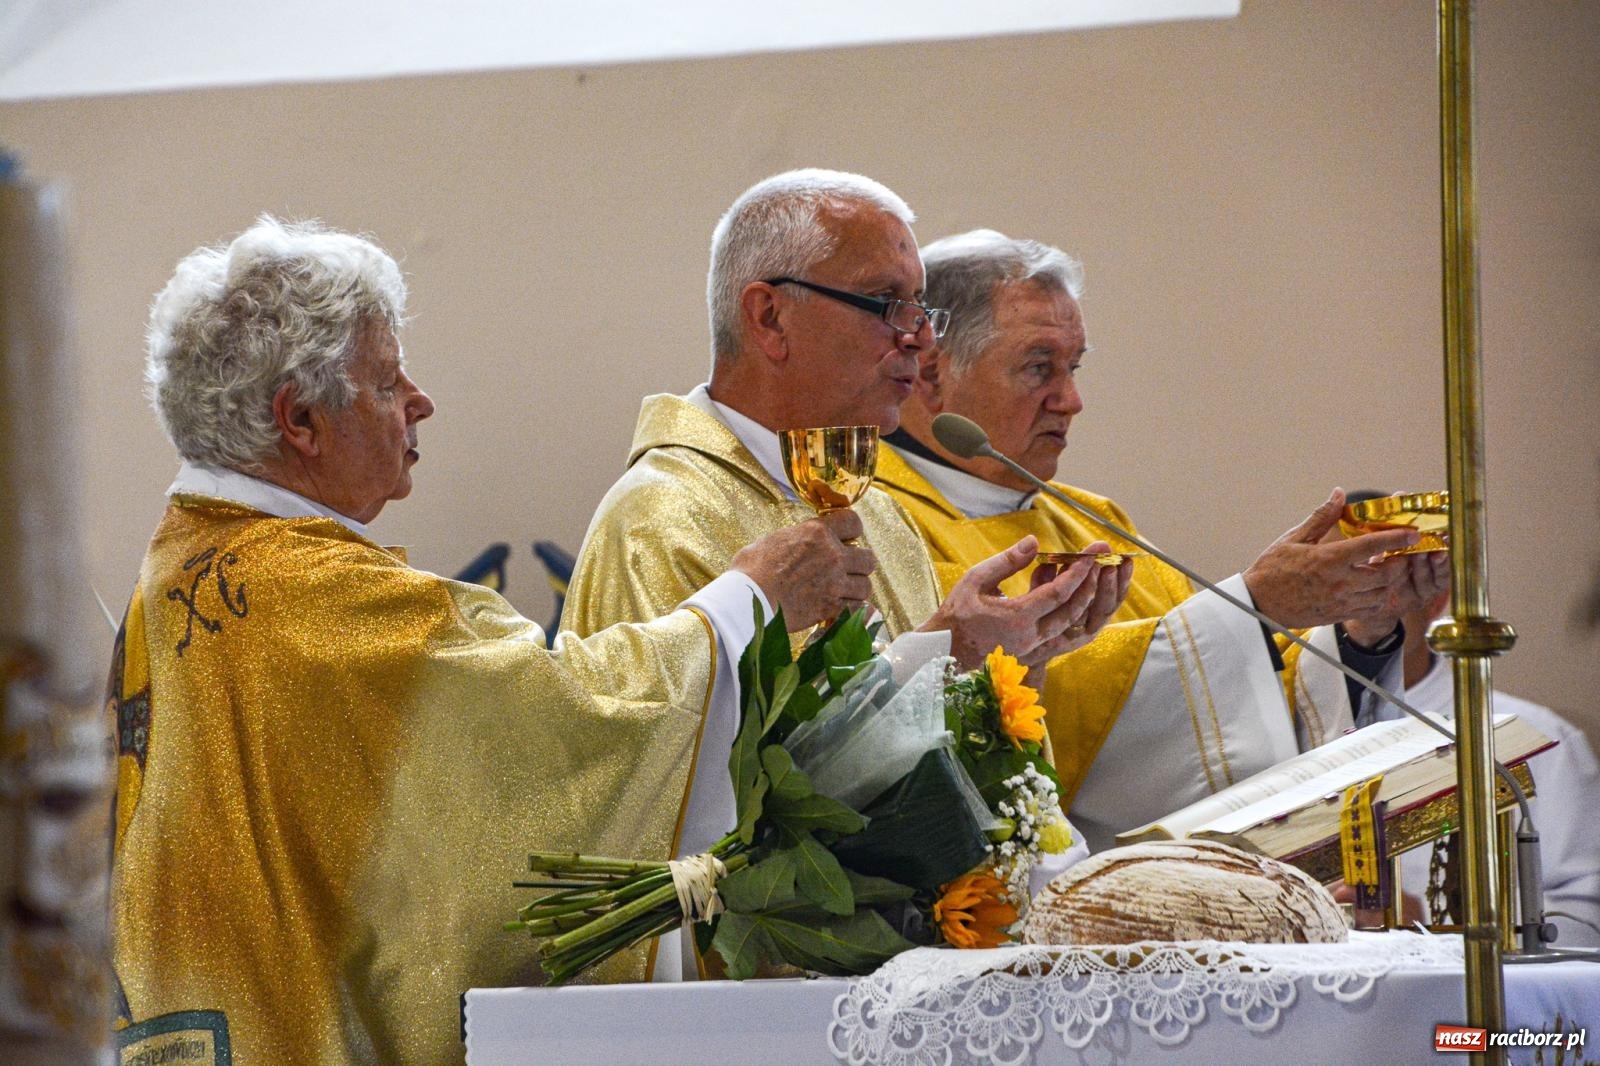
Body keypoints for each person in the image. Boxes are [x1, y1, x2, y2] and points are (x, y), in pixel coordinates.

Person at [108, 217, 873, 1065]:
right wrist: (748, 602)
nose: (420, 401)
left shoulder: (184, 564)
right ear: (300, 420)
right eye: (387, 380)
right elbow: (551, 722)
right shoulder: (307, 593)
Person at [874, 229, 1451, 849]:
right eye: (1039, 367)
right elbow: (1008, 703)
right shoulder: (878, 520)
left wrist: (1362, 626)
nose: (1071, 401)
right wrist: (1258, 608)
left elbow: (1244, 709)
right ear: (932, 373)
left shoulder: (1094, 522)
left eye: (1073, 368)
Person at [566, 170, 1123, 691]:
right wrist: (950, 648)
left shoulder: (881, 516)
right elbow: (697, 774)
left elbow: (920, 766)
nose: (921, 339)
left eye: (920, 308)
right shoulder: (659, 525)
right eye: (886, 303)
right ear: (770, 318)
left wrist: (1010, 663)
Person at [1390, 588, 1600, 947]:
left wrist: (1428, 918)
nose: (1349, 608)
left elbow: (1586, 923)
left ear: (1433, 599)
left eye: (1374, 584)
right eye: (1326, 584)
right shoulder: (1278, 734)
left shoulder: (1539, 739)